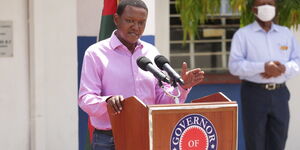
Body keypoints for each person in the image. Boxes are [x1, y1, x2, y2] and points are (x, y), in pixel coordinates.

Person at [78, 0, 205, 149]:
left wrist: (183, 87)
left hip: (148, 134)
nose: (136, 27)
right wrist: (108, 101)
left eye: (141, 23)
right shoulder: (95, 53)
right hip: (110, 139)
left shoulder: (151, 52)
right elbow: (85, 99)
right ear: (116, 20)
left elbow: (162, 100)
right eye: (130, 21)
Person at [228, 0, 300, 149]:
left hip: (280, 94)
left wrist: (283, 68)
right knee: (255, 142)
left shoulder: (285, 33)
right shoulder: (243, 35)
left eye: (270, 3)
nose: (267, 6)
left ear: (275, 9)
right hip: (254, 94)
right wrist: (263, 67)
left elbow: (297, 62)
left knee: (279, 141)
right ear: (254, 9)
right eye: (262, 3)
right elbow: (234, 66)